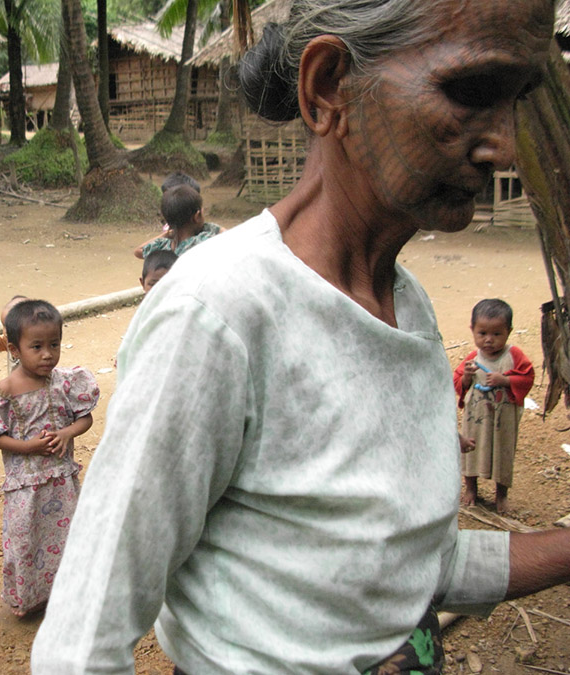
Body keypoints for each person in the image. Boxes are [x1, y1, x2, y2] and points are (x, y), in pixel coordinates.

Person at [31, 1, 565, 673]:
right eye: (470, 92)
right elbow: (81, 647)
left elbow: (410, 567)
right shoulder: (217, 315)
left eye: (518, 100)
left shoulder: (407, 305)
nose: (506, 146)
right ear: (328, 87)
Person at [0, 299, 99, 618]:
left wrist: (67, 433)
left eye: (54, 344)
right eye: (36, 347)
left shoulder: (65, 382)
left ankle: (67, 593)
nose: (47, 354)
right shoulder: (8, 390)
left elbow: (86, 418)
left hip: (62, 483)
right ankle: (31, 597)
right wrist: (25, 447)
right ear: (14, 349)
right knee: (28, 541)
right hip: (26, 490)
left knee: (66, 537)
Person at [454, 299, 534, 514]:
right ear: (472, 330)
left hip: (502, 418)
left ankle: (501, 495)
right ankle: (471, 489)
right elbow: (458, 382)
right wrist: (466, 377)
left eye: (497, 334)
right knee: (471, 450)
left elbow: (527, 377)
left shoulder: (514, 356)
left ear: (509, 331)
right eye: (482, 333)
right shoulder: (473, 358)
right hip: (476, 417)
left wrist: (505, 380)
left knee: (502, 453)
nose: (489, 339)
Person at [133, 185, 223, 260]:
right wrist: (210, 227)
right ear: (197, 216)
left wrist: (168, 234)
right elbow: (228, 236)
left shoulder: (163, 247)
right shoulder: (206, 240)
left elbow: (139, 251)